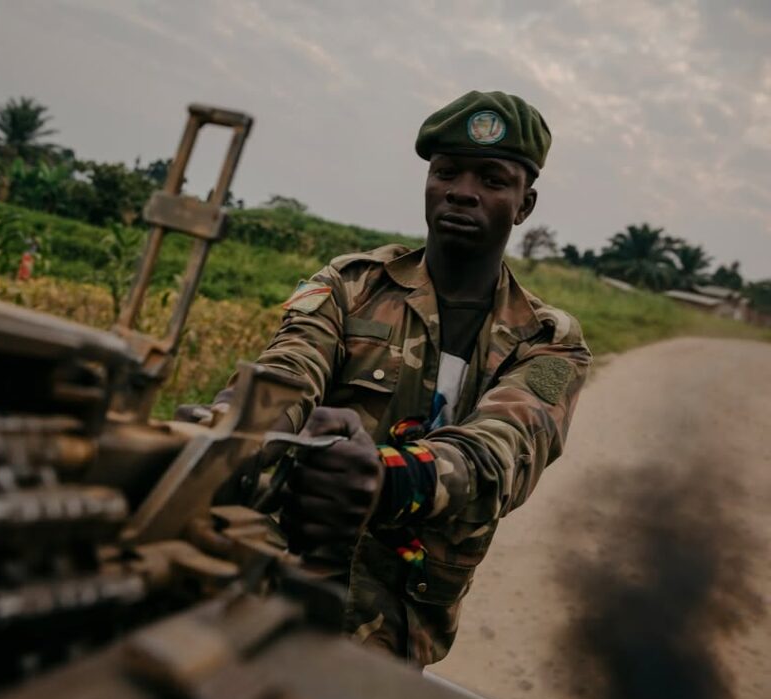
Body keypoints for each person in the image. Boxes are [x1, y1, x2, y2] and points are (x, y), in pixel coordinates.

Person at [196, 91, 591, 669]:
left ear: (524, 204)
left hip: (391, 629)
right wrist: (229, 430)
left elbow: (502, 456)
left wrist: (388, 477)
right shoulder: (350, 286)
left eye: (492, 179)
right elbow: (289, 372)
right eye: (446, 172)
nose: (461, 190)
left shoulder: (547, 340)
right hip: (267, 584)